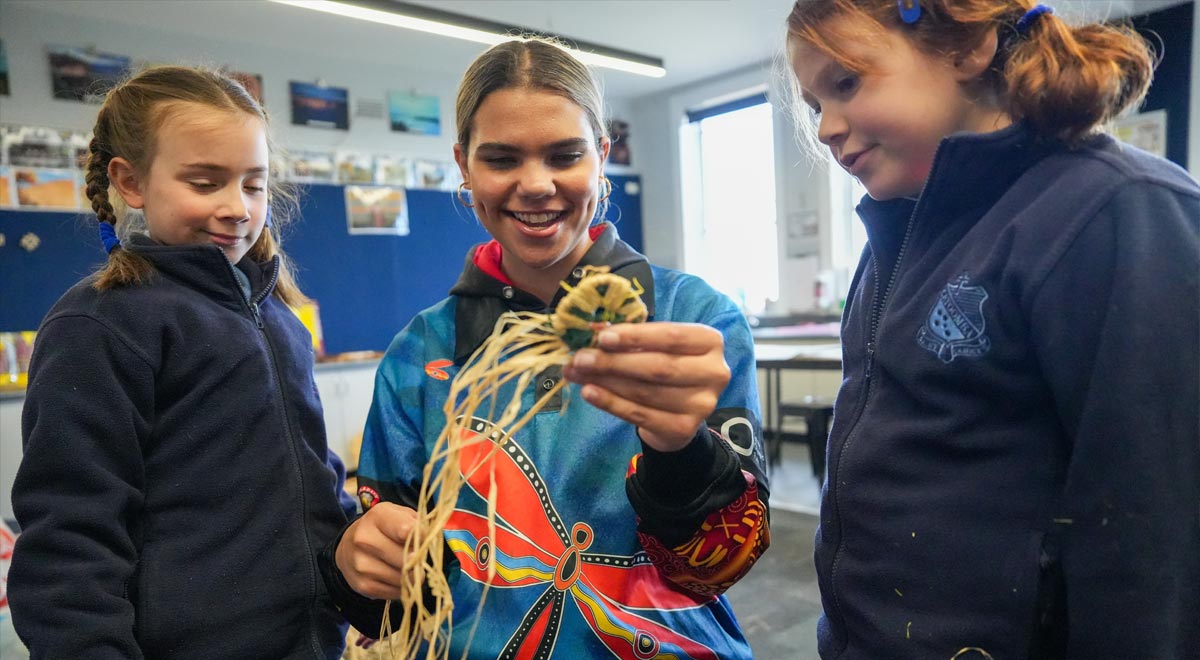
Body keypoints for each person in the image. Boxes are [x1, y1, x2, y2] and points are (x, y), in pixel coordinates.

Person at [318, 38, 771, 659]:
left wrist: (679, 452)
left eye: (565, 155)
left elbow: (721, 567)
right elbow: (391, 594)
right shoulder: (421, 352)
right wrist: (355, 563)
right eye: (501, 158)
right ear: (464, 164)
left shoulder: (690, 320)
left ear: (602, 157)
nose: (536, 185)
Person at [784, 1, 1200, 657]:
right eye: (814, 106)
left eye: (846, 84)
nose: (827, 128)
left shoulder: (1113, 210)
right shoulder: (894, 231)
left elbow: (1153, 540)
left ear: (969, 46)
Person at [8, 65, 357, 659]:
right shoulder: (101, 325)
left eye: (254, 184)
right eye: (204, 182)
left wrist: (357, 574)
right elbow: (70, 538)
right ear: (132, 181)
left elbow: (316, 482)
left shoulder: (277, 317)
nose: (237, 208)